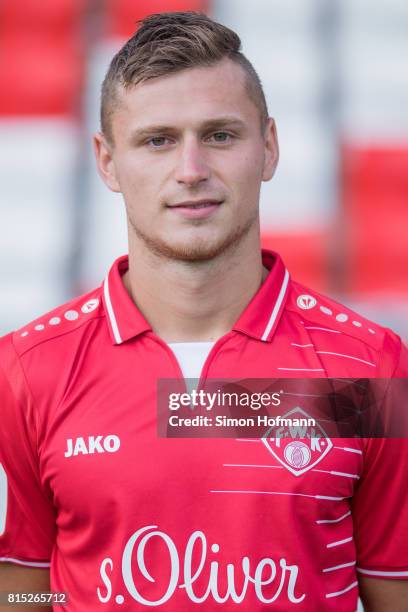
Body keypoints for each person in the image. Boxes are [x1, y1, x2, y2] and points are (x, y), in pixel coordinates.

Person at [0, 11, 407, 611]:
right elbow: (23, 595)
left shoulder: (367, 365)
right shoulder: (28, 371)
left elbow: (392, 594)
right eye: (158, 140)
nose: (191, 171)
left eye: (220, 135)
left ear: (268, 147)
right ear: (107, 161)